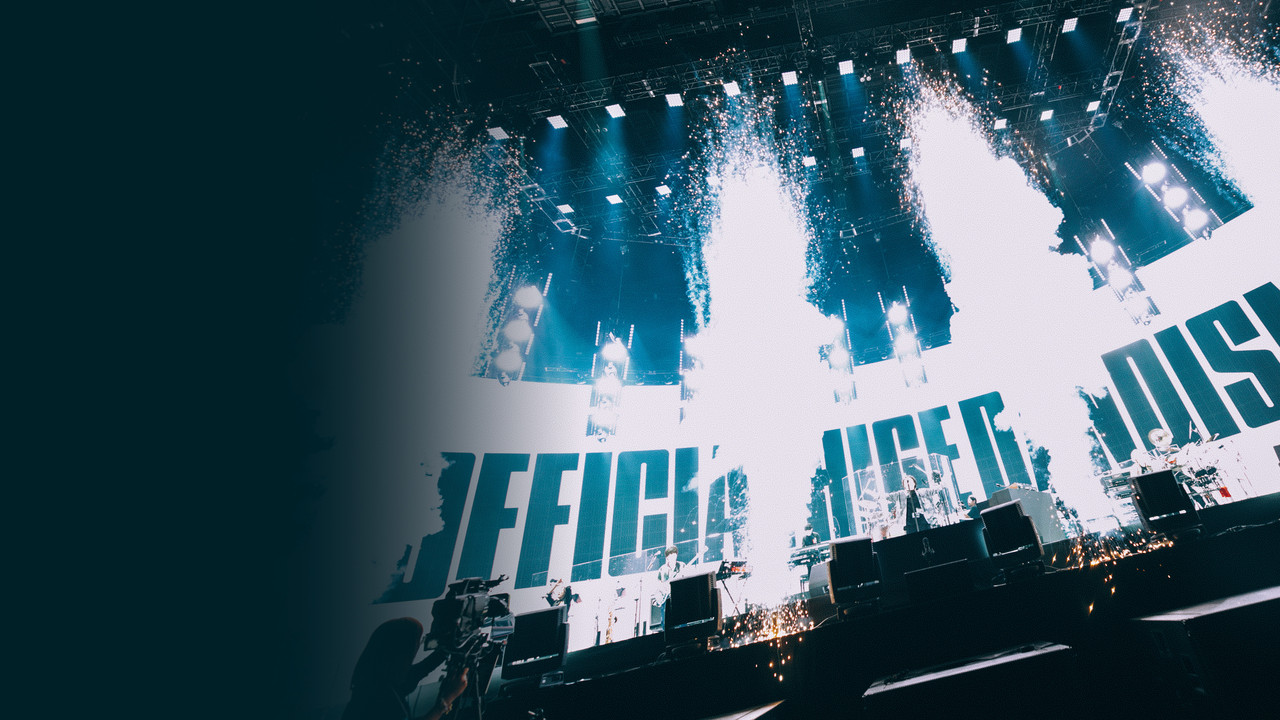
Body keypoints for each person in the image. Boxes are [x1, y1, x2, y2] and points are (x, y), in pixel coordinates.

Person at [343, 617, 471, 720]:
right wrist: (448, 699)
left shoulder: (374, 679)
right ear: (398, 655)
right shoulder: (383, 700)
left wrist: (449, 648)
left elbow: (420, 670)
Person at [650, 546, 685, 631]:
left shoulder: (681, 565)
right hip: (666, 598)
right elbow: (658, 584)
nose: (672, 557)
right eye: (670, 555)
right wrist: (661, 593)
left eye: (674, 555)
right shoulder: (662, 569)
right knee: (666, 621)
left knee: (682, 619)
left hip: (678, 596)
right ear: (667, 558)